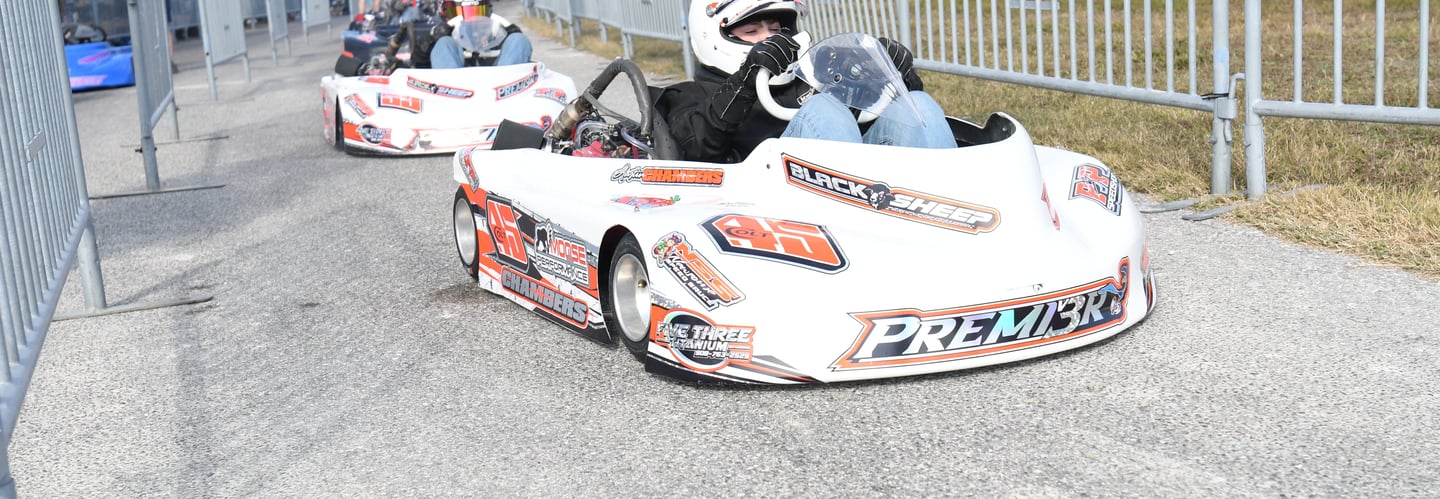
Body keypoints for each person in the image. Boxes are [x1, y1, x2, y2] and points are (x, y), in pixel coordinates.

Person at [656, 0, 954, 163]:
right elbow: (695, 154)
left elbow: (881, 119)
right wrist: (744, 83)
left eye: (775, 29)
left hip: (861, 183)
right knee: (824, 110)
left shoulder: (812, 76)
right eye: (752, 32)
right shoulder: (690, 94)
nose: (769, 39)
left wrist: (895, 76)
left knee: (919, 104)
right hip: (764, 199)